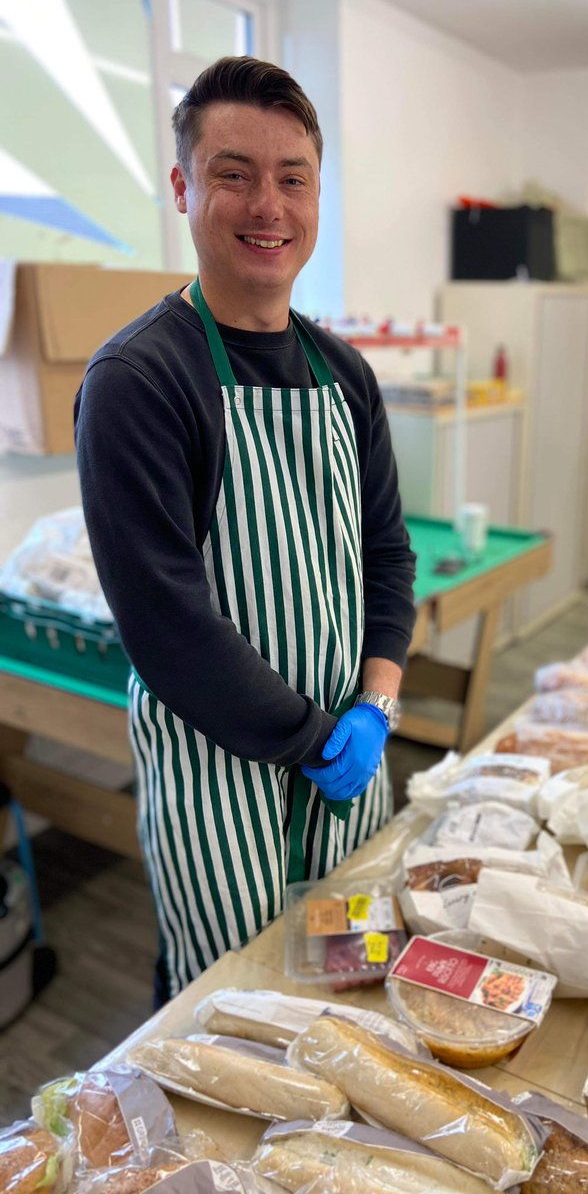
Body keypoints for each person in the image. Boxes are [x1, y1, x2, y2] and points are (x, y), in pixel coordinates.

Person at [75, 57, 416, 1005]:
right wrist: (310, 738)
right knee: (235, 1020)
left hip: (349, 756)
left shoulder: (343, 373)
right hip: (216, 775)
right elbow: (167, 624)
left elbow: (385, 554)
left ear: (316, 195)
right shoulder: (140, 381)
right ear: (184, 187)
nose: (268, 204)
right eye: (234, 174)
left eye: (292, 178)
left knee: (351, 1000)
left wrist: (376, 708)